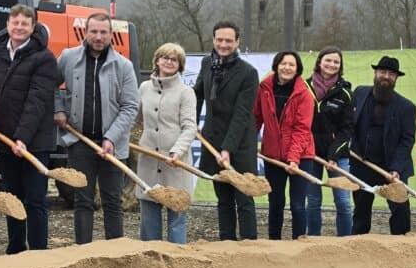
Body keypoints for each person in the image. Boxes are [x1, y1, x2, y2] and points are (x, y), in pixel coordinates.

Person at [0, 4, 59, 253]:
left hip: (34, 142)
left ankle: (38, 253)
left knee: (34, 200)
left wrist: (22, 138)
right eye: (15, 22)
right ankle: (15, 249)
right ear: (8, 25)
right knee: (12, 200)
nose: (19, 27)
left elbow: (37, 102)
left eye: (25, 23)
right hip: (4, 139)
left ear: (33, 28)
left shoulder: (44, 58)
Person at [54, 12, 139, 244]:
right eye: (94, 31)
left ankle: (114, 253)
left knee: (113, 201)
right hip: (79, 142)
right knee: (82, 200)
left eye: (103, 32)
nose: (98, 37)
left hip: (112, 146)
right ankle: (84, 253)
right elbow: (49, 83)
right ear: (86, 32)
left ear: (111, 35)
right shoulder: (68, 58)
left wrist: (111, 138)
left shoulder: (123, 66)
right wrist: (58, 108)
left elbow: (131, 106)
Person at [194, 21, 259, 240]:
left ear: (237, 42)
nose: (223, 44)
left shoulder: (248, 73)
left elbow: (242, 114)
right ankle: (227, 243)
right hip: (213, 138)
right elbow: (198, 94)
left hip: (239, 143)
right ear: (213, 40)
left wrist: (228, 149)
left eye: (229, 41)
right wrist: (191, 121)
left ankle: (250, 245)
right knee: (223, 198)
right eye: (219, 40)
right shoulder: (207, 63)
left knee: (244, 197)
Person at [135, 43, 197, 243]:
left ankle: (177, 260)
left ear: (180, 65)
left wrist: (176, 151)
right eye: (165, 58)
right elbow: (134, 119)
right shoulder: (144, 88)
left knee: (176, 217)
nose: (169, 62)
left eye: (174, 59)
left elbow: (190, 128)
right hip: (149, 162)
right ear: (157, 61)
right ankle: (151, 258)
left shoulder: (186, 92)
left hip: (175, 163)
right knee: (149, 216)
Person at [350, 56, 415, 235]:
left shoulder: (407, 107)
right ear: (375, 73)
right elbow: (350, 126)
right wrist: (352, 148)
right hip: (362, 164)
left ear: (396, 78)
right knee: (361, 211)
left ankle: (401, 244)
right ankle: (358, 245)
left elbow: (407, 140)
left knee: (400, 210)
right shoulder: (359, 93)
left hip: (391, 168)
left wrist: (396, 169)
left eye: (391, 74)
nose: (386, 76)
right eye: (382, 72)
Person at [255, 51, 316, 240]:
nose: (287, 68)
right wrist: (248, 144)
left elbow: (302, 128)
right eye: (283, 63)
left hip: (301, 156)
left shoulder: (304, 93)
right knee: (276, 202)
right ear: (276, 65)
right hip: (272, 156)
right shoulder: (264, 88)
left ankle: (299, 243)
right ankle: (274, 243)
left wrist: (294, 158)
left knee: (298, 204)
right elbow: (256, 118)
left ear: (297, 69)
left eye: (292, 65)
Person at [305, 46, 355, 236]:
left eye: (336, 62)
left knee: (343, 201)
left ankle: (345, 241)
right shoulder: (304, 87)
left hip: (337, 155)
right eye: (328, 60)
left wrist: (334, 155)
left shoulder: (345, 94)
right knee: (313, 201)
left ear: (340, 66)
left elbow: (347, 129)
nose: (331, 64)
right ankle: (313, 240)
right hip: (310, 154)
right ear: (319, 61)